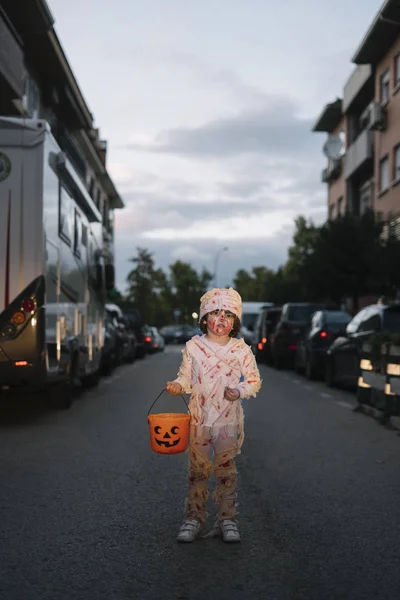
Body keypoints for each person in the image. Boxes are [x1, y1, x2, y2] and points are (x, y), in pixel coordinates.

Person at [166, 287, 262, 543]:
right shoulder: (193, 347)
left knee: (226, 470)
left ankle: (227, 519)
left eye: (228, 316)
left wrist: (239, 390)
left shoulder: (240, 349)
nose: (221, 321)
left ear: (235, 322)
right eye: (215, 314)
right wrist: (178, 385)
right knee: (197, 471)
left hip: (228, 421)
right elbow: (185, 378)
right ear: (204, 318)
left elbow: (253, 380)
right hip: (199, 420)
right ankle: (193, 518)